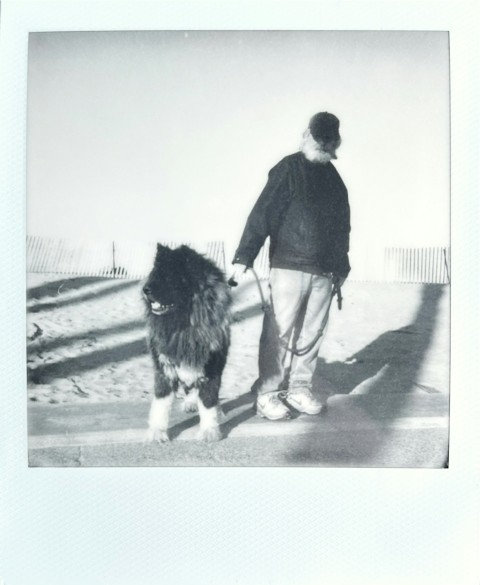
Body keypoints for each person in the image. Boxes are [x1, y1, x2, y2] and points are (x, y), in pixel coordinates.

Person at [231, 111, 351, 420]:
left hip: (324, 271)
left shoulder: (336, 181)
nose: (322, 144)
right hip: (288, 266)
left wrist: (342, 267)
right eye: (318, 138)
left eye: (327, 140)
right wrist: (245, 256)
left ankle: (299, 388)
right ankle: (267, 394)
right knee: (279, 333)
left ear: (335, 142)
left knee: (312, 334)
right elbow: (263, 212)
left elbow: (343, 228)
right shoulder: (288, 168)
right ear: (307, 135)